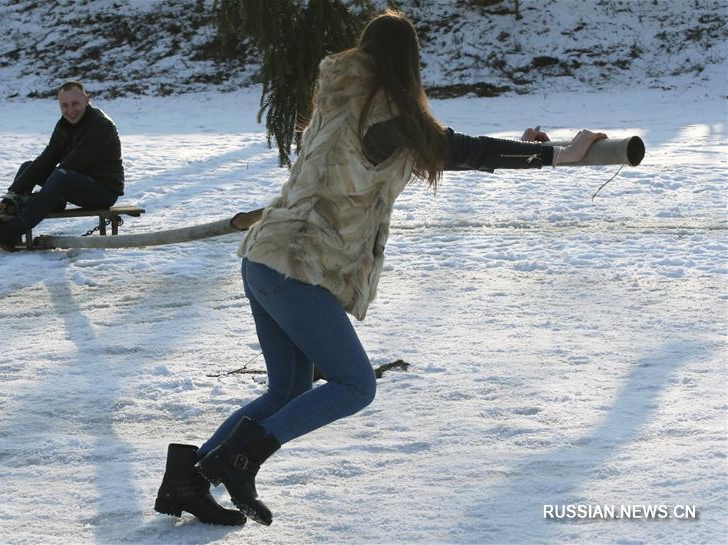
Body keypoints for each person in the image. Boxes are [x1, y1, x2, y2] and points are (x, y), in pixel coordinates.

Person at [154, 10, 606, 526]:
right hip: (297, 265)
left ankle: (189, 478)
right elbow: (459, 149)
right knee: (355, 385)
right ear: (407, 63)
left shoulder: (336, 99)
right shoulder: (389, 113)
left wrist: (531, 149)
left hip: (265, 258)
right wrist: (557, 155)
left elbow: (439, 149)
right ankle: (240, 459)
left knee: (289, 390)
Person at [0, 81, 125, 251]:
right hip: (76, 181)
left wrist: (38, 197)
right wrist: (11, 196)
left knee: (61, 176)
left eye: (75, 103)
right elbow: (47, 158)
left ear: (87, 100)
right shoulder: (64, 124)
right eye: (64, 105)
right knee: (29, 166)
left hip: (103, 191)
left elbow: (74, 163)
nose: (70, 110)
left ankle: (11, 231)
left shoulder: (100, 125)